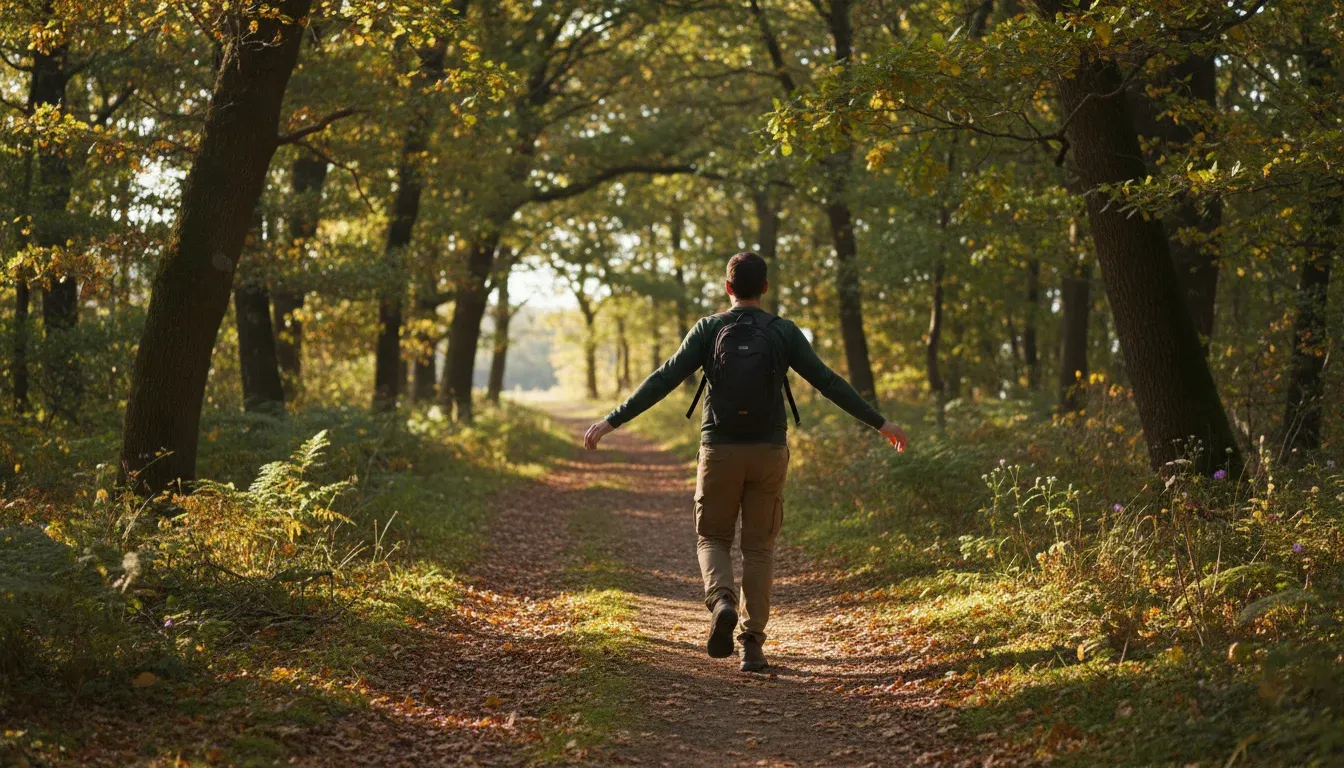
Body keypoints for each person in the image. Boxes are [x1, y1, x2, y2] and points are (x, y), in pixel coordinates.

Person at [583, 251, 908, 672]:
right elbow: (828, 382)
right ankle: (752, 644)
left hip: (718, 448)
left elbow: (664, 378)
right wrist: (879, 422)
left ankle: (721, 601)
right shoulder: (784, 332)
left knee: (713, 539)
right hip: (769, 450)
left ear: (727, 287)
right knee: (759, 548)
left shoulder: (708, 329)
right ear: (766, 288)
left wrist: (612, 420)